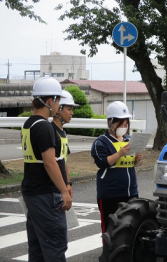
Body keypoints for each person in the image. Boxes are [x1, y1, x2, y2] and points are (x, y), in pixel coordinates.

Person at [21, 77, 72, 262]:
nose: (59, 105)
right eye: (58, 100)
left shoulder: (29, 124)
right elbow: (50, 162)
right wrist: (63, 190)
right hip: (46, 194)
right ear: (49, 101)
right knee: (55, 246)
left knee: (37, 247)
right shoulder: (44, 127)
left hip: (32, 192)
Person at [91, 101, 143, 234]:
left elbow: (133, 165)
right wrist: (120, 153)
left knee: (130, 226)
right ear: (111, 122)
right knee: (110, 227)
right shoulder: (101, 142)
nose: (124, 127)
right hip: (110, 194)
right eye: (121, 123)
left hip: (131, 192)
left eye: (126, 124)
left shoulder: (129, 140)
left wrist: (137, 160)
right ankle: (108, 252)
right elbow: (102, 162)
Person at [52, 90, 79, 199]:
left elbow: (64, 161)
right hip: (52, 188)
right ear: (59, 109)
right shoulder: (50, 131)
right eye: (69, 109)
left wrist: (68, 183)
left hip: (62, 187)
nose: (72, 113)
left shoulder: (63, 132)